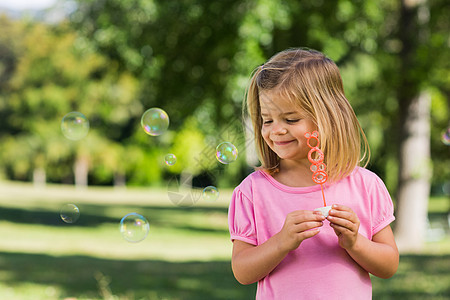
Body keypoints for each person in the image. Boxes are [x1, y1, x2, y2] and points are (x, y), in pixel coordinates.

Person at [228, 48, 399, 299]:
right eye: (267, 120)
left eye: (291, 119)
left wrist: (355, 242)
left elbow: (389, 265)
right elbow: (242, 272)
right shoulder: (253, 191)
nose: (276, 131)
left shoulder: (366, 185)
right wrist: (282, 241)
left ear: (328, 118)